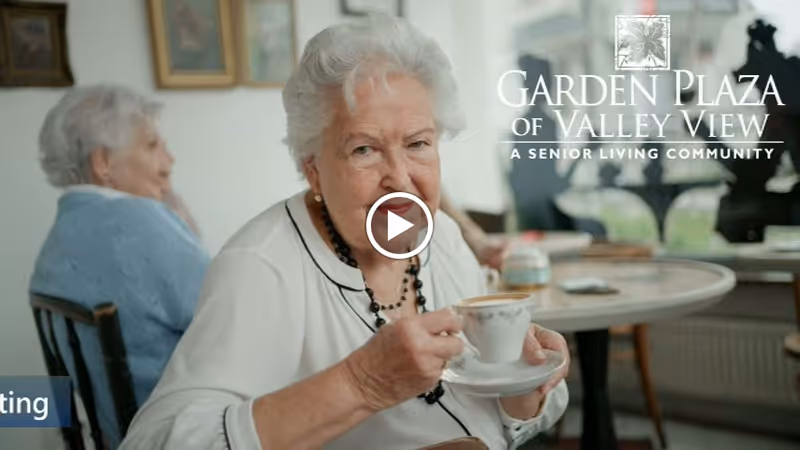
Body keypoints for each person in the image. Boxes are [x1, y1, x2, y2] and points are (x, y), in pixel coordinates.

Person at [120, 16, 569, 450]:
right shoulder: (262, 266)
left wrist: (524, 382)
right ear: (313, 169)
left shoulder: (444, 238)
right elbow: (155, 442)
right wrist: (359, 384)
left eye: (417, 143)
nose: (400, 178)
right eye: (364, 150)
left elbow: (502, 419)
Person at [30, 84, 210, 448]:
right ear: (103, 163)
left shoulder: (54, 244)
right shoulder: (140, 222)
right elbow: (239, 316)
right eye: (152, 145)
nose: (170, 159)